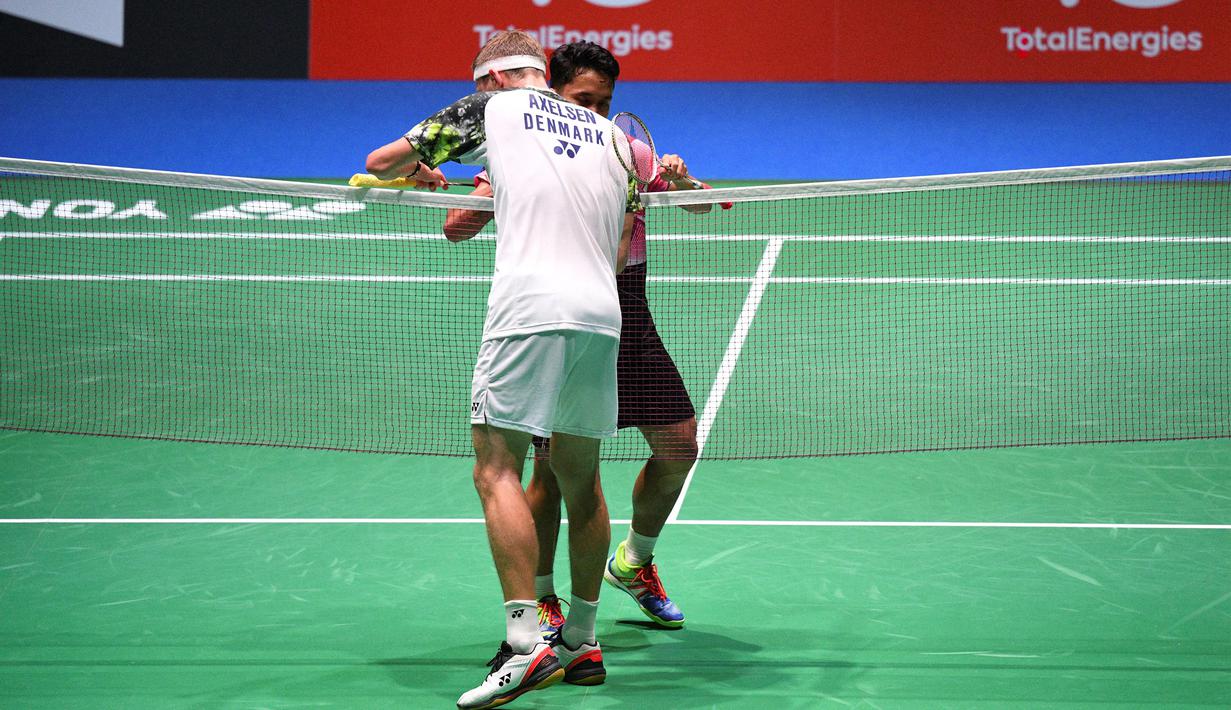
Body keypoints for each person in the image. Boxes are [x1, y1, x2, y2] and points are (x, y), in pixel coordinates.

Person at [366, 30, 634, 709]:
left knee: (495, 468)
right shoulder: (606, 135)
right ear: (541, 74)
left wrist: (418, 168)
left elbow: (381, 161)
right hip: (600, 315)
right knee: (582, 481)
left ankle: (524, 641)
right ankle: (580, 638)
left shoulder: (489, 108)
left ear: (491, 79)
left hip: (529, 309)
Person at [442, 41, 714, 637]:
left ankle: (635, 562)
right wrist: (499, 191)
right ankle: (542, 598)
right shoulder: (523, 142)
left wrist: (682, 178)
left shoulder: (623, 146)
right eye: (582, 100)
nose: (594, 112)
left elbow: (708, 204)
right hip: (559, 313)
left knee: (679, 445)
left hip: (625, 311)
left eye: (604, 102)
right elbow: (455, 227)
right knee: (553, 475)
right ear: (552, 95)